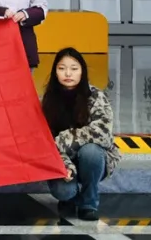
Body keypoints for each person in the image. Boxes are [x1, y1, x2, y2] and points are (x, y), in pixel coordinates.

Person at [41, 47, 120, 221]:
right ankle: (72, 197)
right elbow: (45, 142)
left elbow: (103, 134)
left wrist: (65, 139)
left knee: (91, 151)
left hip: (93, 159)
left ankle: (88, 203)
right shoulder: (48, 101)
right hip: (61, 159)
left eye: (74, 68)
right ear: (55, 72)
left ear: (82, 71)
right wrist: (66, 165)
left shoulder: (96, 96)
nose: (68, 73)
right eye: (62, 68)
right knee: (63, 191)